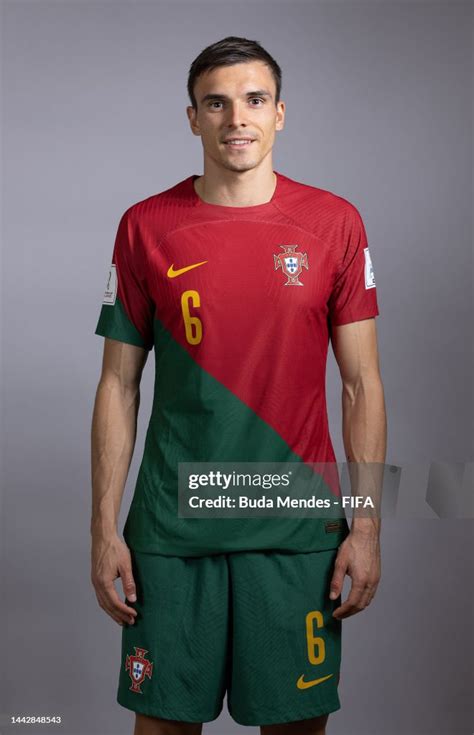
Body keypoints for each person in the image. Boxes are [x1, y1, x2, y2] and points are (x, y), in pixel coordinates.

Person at [90, 35, 386, 735]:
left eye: (254, 100)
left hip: (294, 526)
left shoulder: (334, 224)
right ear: (192, 118)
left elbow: (362, 385)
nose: (236, 119)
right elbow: (117, 386)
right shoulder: (144, 227)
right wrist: (104, 529)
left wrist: (367, 525)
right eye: (215, 103)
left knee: (293, 726)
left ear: (280, 112)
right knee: (161, 726)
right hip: (171, 527)